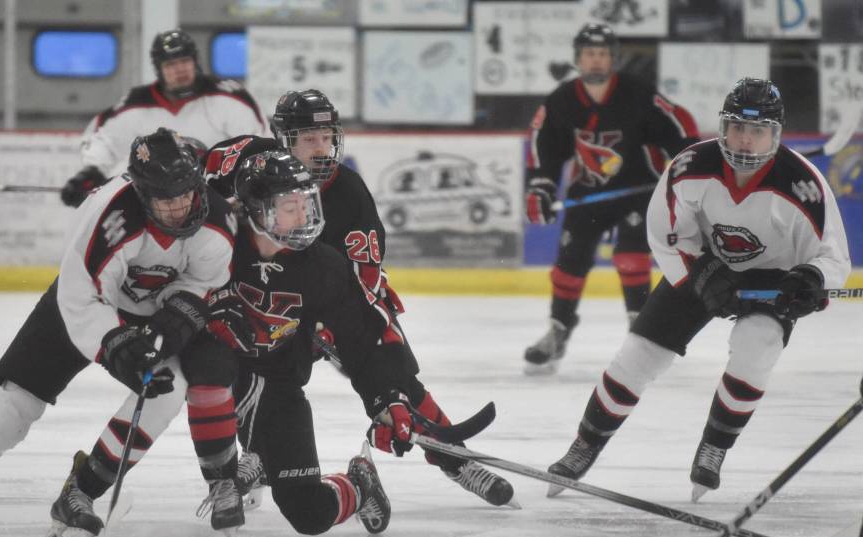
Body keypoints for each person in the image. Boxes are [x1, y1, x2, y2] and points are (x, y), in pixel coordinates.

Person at [0, 129, 238, 537]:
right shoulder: (104, 217)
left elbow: (204, 282)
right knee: (14, 407)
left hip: (150, 313)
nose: (177, 207)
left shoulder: (219, 222)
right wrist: (116, 345)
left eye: (185, 193)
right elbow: (80, 300)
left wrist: (176, 319)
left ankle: (81, 491)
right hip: (81, 306)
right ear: (139, 190)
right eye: (163, 197)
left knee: (168, 390)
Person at [203, 88, 518, 509]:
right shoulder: (246, 159)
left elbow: (365, 291)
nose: (322, 148)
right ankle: (261, 453)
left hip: (323, 293)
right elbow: (194, 191)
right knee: (251, 363)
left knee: (389, 372)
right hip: (257, 290)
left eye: (326, 137)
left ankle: (455, 459)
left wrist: (379, 377)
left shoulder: (348, 194)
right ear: (285, 140)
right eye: (309, 138)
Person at [544, 78, 850, 502]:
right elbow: (666, 236)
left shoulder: (805, 186)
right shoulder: (691, 166)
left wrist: (810, 280)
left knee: (755, 347)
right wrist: (700, 274)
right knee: (637, 357)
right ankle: (584, 445)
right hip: (702, 264)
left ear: (775, 134)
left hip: (771, 278)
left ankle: (713, 449)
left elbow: (834, 259)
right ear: (724, 127)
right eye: (738, 129)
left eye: (758, 130)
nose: (745, 140)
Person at [523, 23, 700, 374]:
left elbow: (678, 127)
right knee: (569, 263)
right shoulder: (561, 100)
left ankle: (643, 333)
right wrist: (541, 187)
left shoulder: (637, 94)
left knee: (631, 256)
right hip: (588, 195)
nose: (596, 60)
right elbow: (544, 148)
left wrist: (689, 164)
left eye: (603, 53)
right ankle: (559, 329)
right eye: (589, 53)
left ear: (613, 58)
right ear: (577, 59)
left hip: (639, 191)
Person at [60, 27, 268, 207]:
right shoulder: (137, 103)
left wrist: (255, 183)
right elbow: (103, 139)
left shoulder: (228, 97)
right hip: (159, 205)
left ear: (195, 61)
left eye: (185, 61)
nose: (180, 70)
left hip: (220, 202)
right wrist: (91, 172)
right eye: (170, 65)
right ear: (159, 69)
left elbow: (258, 144)